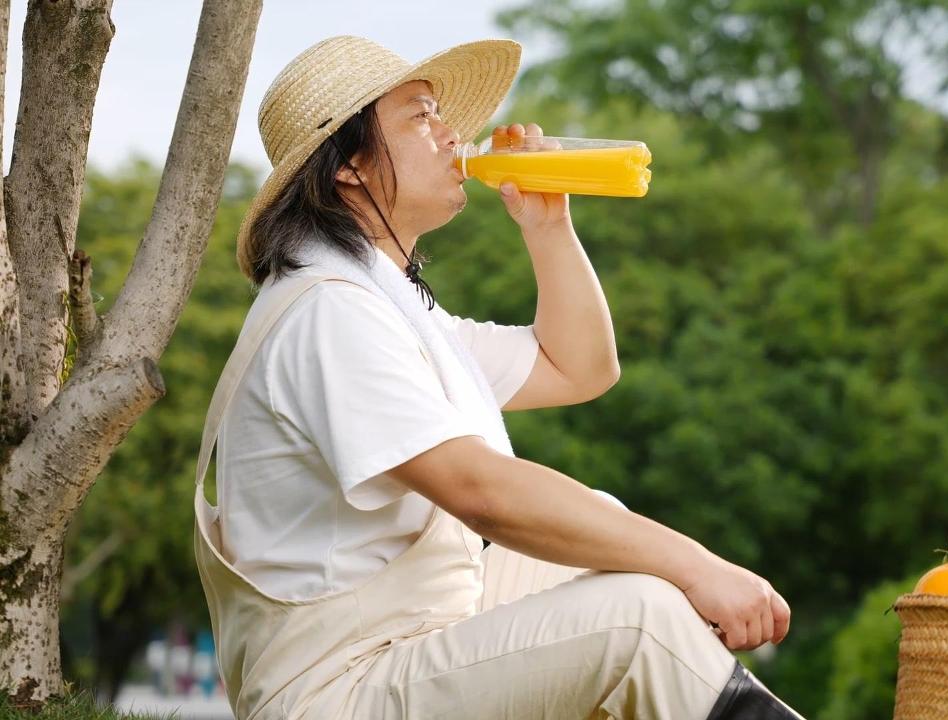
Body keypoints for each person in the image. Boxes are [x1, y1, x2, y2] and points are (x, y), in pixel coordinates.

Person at [191, 34, 804, 719]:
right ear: (351, 167)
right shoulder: (330, 313)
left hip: (403, 645)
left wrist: (548, 224)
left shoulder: (384, 305)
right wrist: (698, 565)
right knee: (639, 618)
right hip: (338, 691)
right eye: (421, 116)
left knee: (606, 532)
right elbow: (480, 492)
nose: (453, 134)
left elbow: (579, 367)